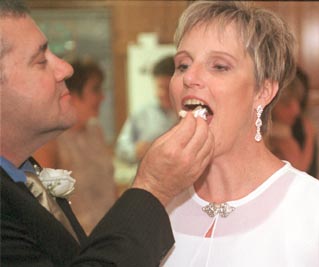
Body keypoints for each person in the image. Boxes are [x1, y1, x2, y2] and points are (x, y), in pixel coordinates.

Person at [161, 1, 319, 266]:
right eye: (183, 65)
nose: (190, 78)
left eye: (219, 66)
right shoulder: (156, 208)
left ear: (263, 91)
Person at [0, 0, 214, 266]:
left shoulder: (26, 170)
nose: (66, 69)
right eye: (41, 60)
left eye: (219, 67)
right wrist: (153, 187)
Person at [34, 59, 117, 234]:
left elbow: (110, 185)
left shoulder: (96, 131)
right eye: (95, 90)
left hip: (110, 233)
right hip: (78, 240)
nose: (102, 97)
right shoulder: (52, 139)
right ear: (71, 93)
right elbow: (45, 205)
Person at [116, 55, 178, 163]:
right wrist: (135, 151)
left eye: (167, 87)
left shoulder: (192, 113)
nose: (163, 93)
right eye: (159, 87)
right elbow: (121, 148)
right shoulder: (141, 114)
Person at [267, 69, 318, 175]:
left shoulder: (278, 129)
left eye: (298, 103)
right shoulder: (279, 133)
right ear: (272, 105)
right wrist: (310, 136)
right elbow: (300, 169)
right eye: (287, 104)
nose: (296, 111)